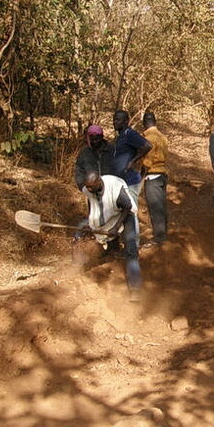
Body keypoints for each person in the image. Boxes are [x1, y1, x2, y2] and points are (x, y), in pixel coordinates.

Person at [81, 172, 143, 302]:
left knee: (131, 249)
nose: (90, 189)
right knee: (107, 240)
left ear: (99, 182)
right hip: (110, 213)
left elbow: (127, 207)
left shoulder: (114, 188)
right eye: (88, 187)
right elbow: (91, 204)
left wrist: (116, 228)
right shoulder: (89, 189)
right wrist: (90, 222)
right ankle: (112, 253)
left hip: (126, 213)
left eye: (92, 187)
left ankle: (135, 288)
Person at [141, 111, 168, 246]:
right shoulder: (162, 137)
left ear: (144, 123)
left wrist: (141, 175)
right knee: (161, 205)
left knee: (155, 207)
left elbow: (148, 160)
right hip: (162, 174)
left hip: (152, 175)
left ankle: (159, 237)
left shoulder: (149, 138)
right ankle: (163, 233)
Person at [112, 110, 151, 199]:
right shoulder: (120, 136)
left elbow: (147, 145)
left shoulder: (129, 133)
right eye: (114, 120)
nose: (114, 122)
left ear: (126, 121)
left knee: (131, 209)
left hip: (130, 181)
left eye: (118, 120)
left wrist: (133, 160)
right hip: (121, 181)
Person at [73, 124, 114, 190]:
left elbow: (119, 167)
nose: (95, 142)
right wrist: (83, 187)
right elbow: (79, 170)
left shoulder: (112, 149)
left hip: (111, 189)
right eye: (92, 139)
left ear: (102, 137)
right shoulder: (84, 153)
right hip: (91, 190)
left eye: (97, 139)